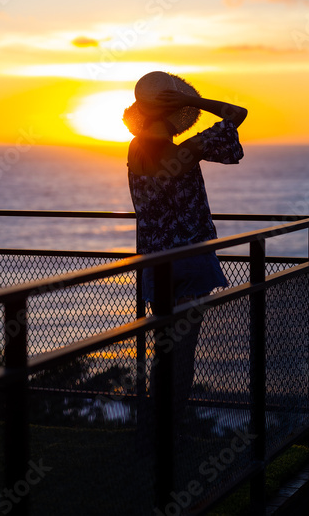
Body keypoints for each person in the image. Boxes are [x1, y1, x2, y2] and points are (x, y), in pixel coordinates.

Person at [123, 71, 247, 424]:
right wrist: (191, 102)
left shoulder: (135, 151)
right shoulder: (187, 152)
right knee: (184, 351)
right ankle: (171, 432)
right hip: (190, 261)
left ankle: (152, 431)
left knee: (163, 352)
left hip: (155, 264)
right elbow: (237, 114)